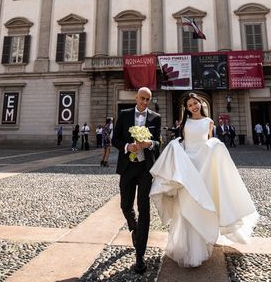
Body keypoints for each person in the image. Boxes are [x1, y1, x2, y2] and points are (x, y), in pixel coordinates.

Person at [150, 93, 258, 268]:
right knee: (185, 203)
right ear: (187, 108)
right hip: (187, 167)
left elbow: (208, 143)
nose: (193, 107)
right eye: (190, 105)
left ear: (200, 103)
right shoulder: (184, 122)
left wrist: (216, 145)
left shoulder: (209, 122)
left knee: (201, 202)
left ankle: (201, 243)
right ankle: (186, 247)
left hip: (204, 165)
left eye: (195, 103)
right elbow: (184, 143)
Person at [111, 87, 161, 274]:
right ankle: (134, 227)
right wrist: (126, 146)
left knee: (144, 210)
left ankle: (140, 256)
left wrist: (151, 144)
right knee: (125, 205)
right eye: (142, 98)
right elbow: (115, 139)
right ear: (136, 97)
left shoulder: (155, 117)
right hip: (127, 167)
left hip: (145, 169)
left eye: (148, 99)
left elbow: (158, 142)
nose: (144, 102)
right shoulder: (124, 115)